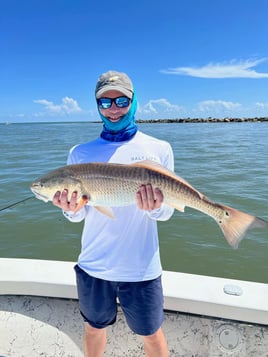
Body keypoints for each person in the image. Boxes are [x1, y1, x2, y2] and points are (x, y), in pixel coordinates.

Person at [53, 70, 174, 357]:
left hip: (141, 267)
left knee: (152, 335)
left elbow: (167, 211)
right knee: (93, 329)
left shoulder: (159, 149)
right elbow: (80, 215)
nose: (113, 109)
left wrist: (156, 208)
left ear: (134, 101)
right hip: (94, 265)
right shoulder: (80, 153)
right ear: (97, 107)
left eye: (121, 100)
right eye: (104, 103)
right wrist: (70, 211)